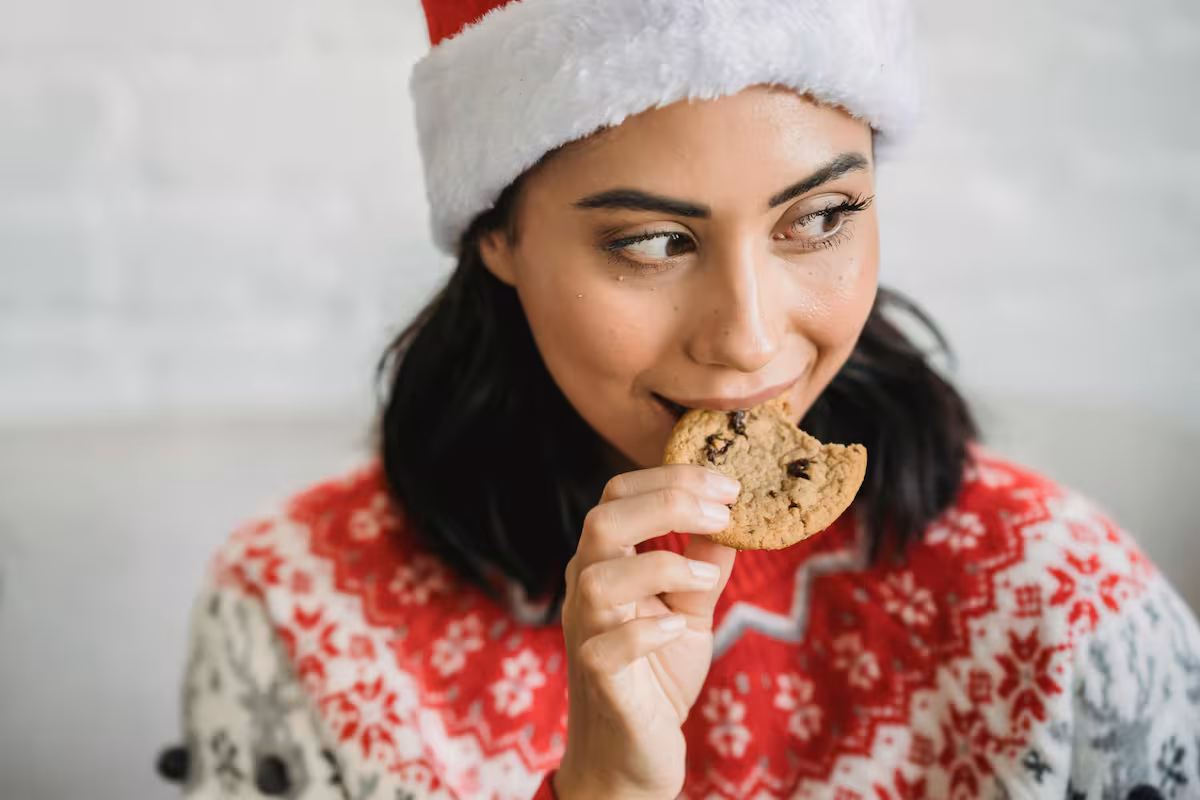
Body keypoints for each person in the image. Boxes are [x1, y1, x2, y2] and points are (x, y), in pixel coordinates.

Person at [156, 1, 1200, 798]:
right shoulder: (293, 617)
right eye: (653, 241)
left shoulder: (1066, 608)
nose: (748, 338)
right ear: (497, 233)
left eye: (822, 216)